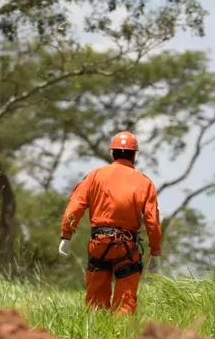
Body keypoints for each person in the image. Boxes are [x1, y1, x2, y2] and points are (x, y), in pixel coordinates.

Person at [57, 131, 162, 315]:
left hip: (99, 243)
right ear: (134, 155)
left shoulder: (94, 176)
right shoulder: (145, 183)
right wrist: (156, 252)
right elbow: (152, 221)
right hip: (127, 247)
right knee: (125, 306)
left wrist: (66, 235)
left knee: (95, 306)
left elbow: (74, 208)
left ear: (113, 153)